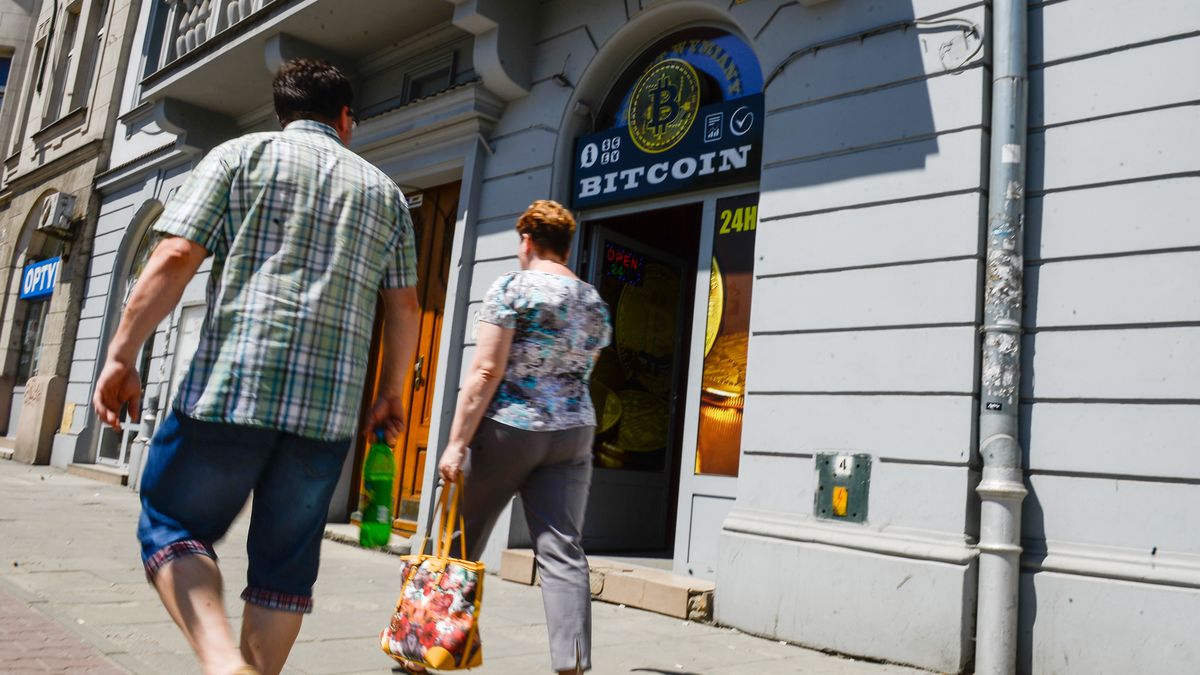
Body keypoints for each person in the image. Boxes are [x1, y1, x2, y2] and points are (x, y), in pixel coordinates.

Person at [92, 59, 421, 675]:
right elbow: (404, 304)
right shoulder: (386, 195)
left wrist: (122, 353)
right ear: (346, 119)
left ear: (282, 112)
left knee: (170, 524)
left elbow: (175, 255)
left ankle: (222, 662)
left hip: (230, 391)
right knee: (285, 569)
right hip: (325, 416)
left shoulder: (240, 156)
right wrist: (392, 392)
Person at [420, 200, 611, 675]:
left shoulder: (510, 287)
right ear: (566, 247)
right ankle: (572, 665)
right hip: (573, 430)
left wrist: (456, 441)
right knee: (563, 549)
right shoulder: (593, 300)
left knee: (461, 536)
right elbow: (588, 367)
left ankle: (427, 648)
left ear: (527, 241)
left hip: (511, 428)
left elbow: (485, 370)